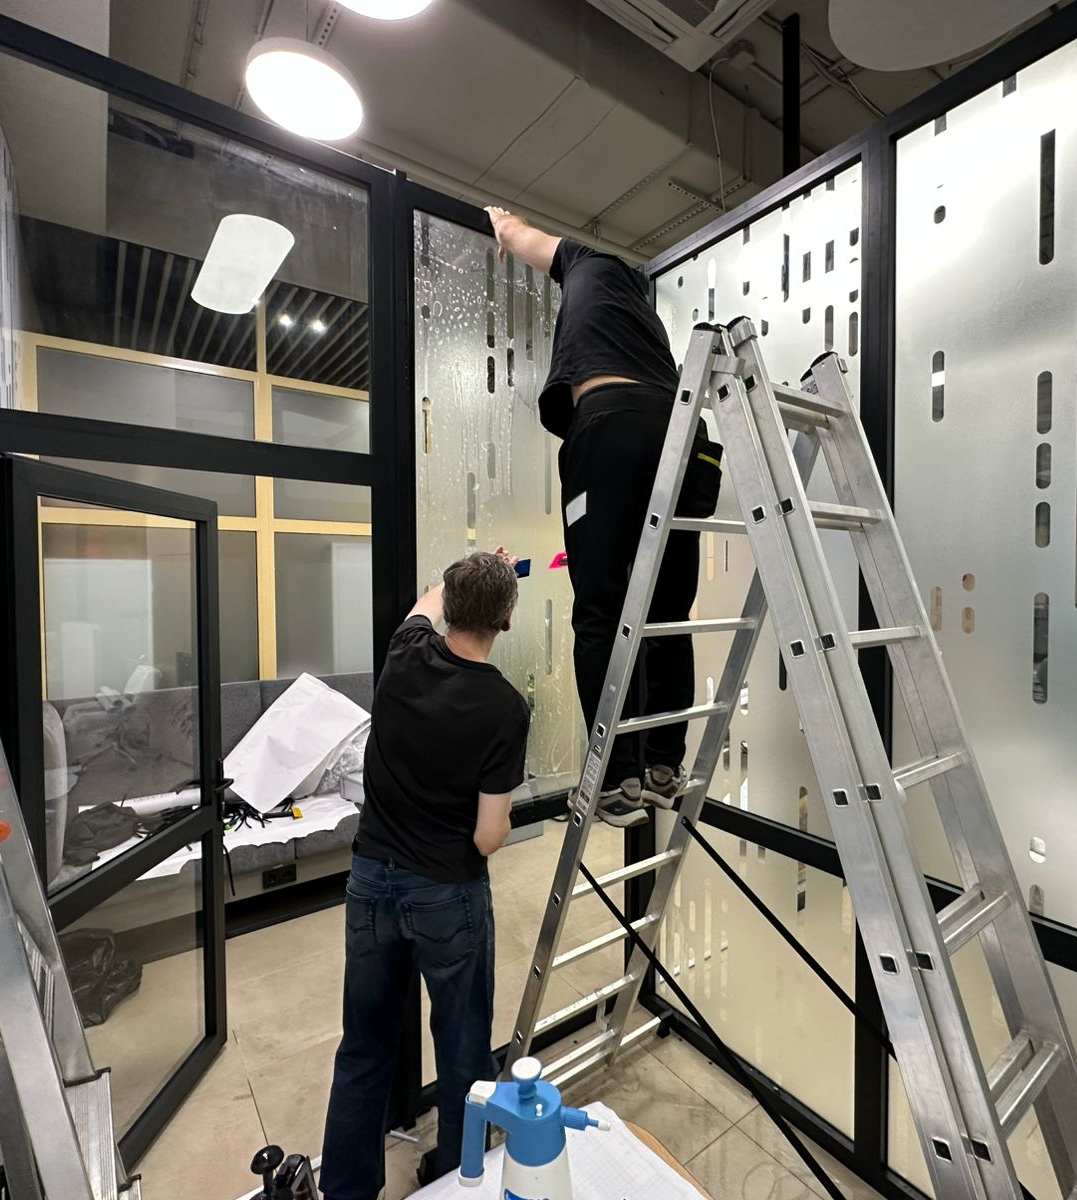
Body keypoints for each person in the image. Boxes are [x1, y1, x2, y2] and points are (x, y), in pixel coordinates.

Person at [319, 549, 530, 1200]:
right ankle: (455, 1179)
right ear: (507, 620)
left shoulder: (405, 654)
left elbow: (427, 602)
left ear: (450, 608)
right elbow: (488, 837)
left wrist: (474, 569)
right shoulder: (504, 708)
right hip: (446, 894)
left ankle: (348, 1190)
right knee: (464, 1053)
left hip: (371, 884)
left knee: (363, 1048)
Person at [486, 206, 702, 827]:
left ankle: (615, 776)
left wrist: (501, 223)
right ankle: (663, 764)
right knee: (667, 611)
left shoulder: (586, 261)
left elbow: (526, 237)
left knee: (600, 610)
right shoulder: (647, 323)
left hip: (610, 429)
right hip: (680, 435)